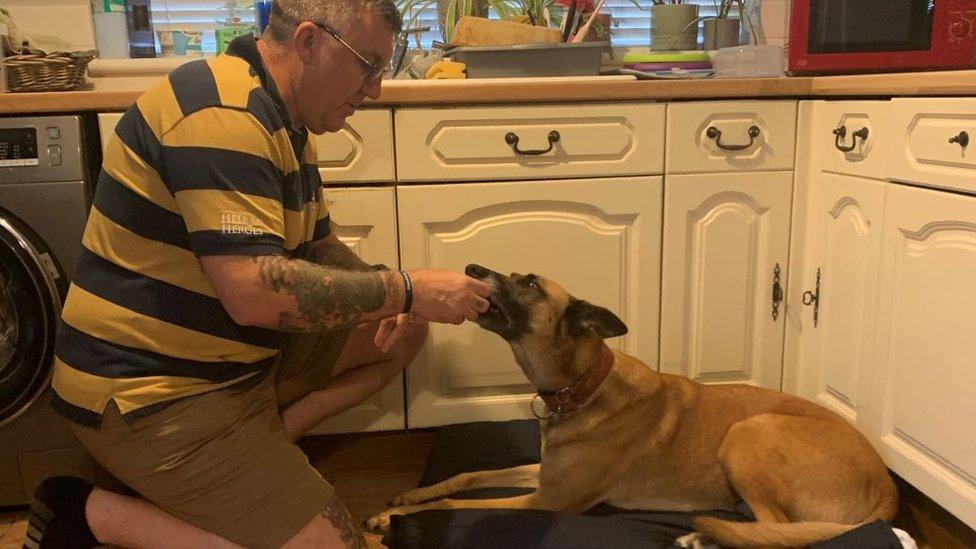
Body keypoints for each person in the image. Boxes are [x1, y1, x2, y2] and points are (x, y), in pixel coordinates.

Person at [23, 1, 490, 548]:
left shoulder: (284, 119)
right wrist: (408, 287)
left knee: (402, 329)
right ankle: (85, 514)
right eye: (368, 65)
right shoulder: (221, 115)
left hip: (230, 364)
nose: (375, 90)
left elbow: (318, 248)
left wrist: (401, 301)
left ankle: (264, 445)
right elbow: (255, 294)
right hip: (146, 391)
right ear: (310, 42)